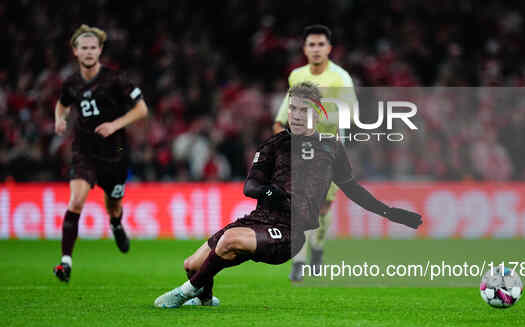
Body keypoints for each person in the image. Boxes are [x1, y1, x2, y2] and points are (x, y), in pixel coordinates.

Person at [154, 82, 421, 308]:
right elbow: (251, 187)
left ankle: (183, 294)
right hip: (258, 219)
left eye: (302, 110)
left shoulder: (330, 148)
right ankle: (205, 299)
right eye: (292, 108)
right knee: (192, 265)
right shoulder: (274, 144)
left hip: (288, 231)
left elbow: (353, 189)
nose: (294, 114)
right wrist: (275, 193)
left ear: (317, 113)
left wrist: (391, 213)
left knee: (228, 241)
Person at [52, 25, 148, 283]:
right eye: (84, 47)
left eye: (93, 47)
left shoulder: (115, 79)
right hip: (84, 152)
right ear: (75, 51)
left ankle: (116, 224)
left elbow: (142, 109)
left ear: (100, 50)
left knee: (114, 205)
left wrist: (115, 125)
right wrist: (59, 120)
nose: (88, 52)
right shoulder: (71, 83)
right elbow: (61, 105)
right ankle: (65, 262)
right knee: (76, 201)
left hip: (114, 154)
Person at [273, 25, 358, 281]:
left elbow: (351, 113)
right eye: (312, 45)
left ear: (329, 48)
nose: (316, 49)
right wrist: (280, 128)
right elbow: (287, 109)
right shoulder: (296, 76)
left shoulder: (340, 78)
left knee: (322, 209)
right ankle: (298, 262)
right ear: (305, 49)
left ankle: (318, 250)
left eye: (321, 45)